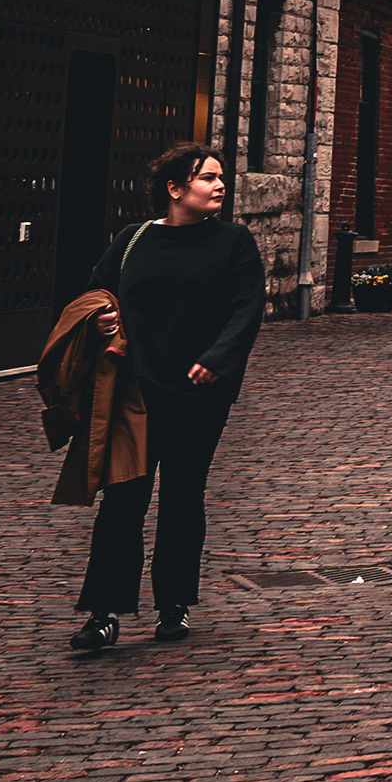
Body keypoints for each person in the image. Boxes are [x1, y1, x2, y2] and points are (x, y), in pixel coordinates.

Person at [69, 142, 266, 656]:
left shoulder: (234, 242)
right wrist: (103, 319)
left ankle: (174, 603)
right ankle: (104, 612)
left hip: (200, 393)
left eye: (222, 178)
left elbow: (247, 309)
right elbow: (95, 293)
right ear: (175, 189)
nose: (220, 186)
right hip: (135, 389)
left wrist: (218, 359)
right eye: (207, 178)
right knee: (123, 499)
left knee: (183, 494)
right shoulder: (132, 240)